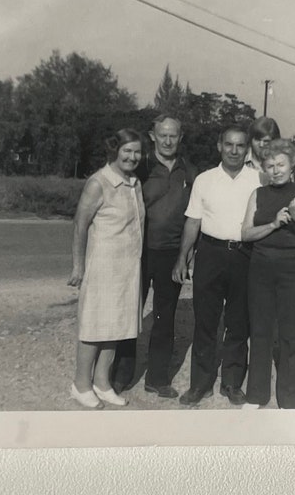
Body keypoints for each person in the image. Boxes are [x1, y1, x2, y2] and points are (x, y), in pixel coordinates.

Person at [172, 125, 261, 406]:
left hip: (245, 255)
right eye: (229, 145)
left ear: (247, 149)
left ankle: (232, 383)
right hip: (210, 253)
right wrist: (182, 257)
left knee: (238, 322)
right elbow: (193, 221)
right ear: (219, 146)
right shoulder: (204, 180)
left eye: (240, 146)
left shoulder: (259, 179)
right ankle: (200, 384)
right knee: (205, 321)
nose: (234, 151)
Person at [111, 115, 198, 398]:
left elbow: (194, 216)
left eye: (173, 135)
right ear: (153, 136)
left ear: (180, 137)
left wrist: (187, 256)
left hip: (172, 254)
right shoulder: (142, 167)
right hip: (138, 252)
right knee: (130, 314)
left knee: (165, 317)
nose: (168, 140)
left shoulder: (190, 172)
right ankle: (121, 376)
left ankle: (158, 379)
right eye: (163, 135)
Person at [242, 139, 295, 409]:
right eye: (270, 165)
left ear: (292, 166)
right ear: (264, 169)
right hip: (261, 268)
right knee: (261, 332)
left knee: (291, 335)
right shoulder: (258, 194)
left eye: (280, 164)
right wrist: (275, 223)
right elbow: (246, 233)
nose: (275, 170)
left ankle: (289, 401)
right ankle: (256, 396)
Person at [67, 128, 145, 408]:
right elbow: (80, 224)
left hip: (127, 268)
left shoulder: (134, 183)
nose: (132, 157)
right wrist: (78, 266)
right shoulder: (98, 182)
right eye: (127, 151)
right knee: (94, 325)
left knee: (116, 325)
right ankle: (80, 384)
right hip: (102, 266)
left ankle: (101, 382)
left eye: (137, 152)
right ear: (115, 151)